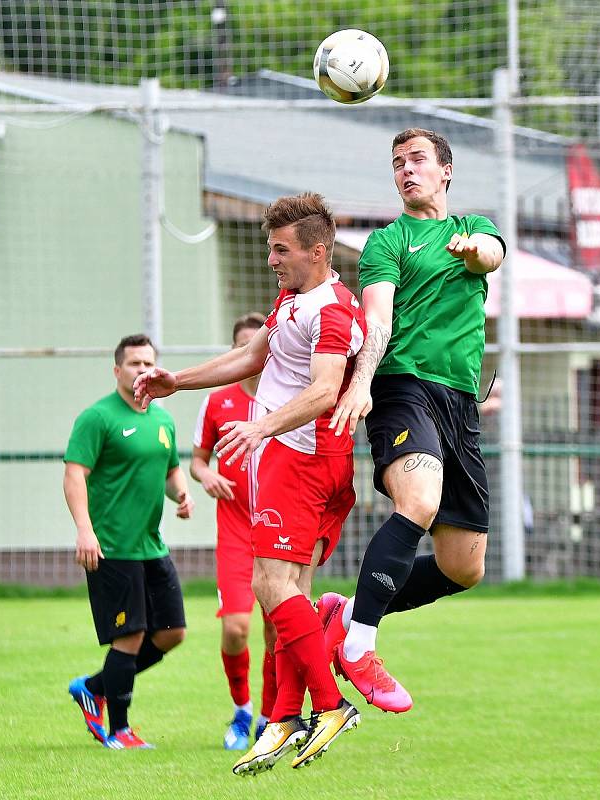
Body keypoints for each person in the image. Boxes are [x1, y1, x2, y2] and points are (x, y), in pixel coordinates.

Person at [134, 193, 367, 775]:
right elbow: (252, 356)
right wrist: (177, 381)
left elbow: (322, 392)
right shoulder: (294, 297)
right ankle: (285, 714)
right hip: (302, 460)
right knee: (289, 588)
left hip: (303, 460)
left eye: (281, 249)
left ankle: (331, 705)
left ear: (318, 251)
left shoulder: (332, 309)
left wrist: (260, 427)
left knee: (270, 587)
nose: (271, 258)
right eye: (269, 247)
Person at [318, 128, 505, 714]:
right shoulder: (387, 241)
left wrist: (475, 253)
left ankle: (347, 614)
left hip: (460, 404)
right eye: (397, 163)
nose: (406, 170)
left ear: (446, 171)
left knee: (462, 566)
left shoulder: (472, 229)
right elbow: (376, 319)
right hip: (402, 388)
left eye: (417, 160)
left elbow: (493, 254)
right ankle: (359, 646)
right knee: (417, 501)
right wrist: (365, 381)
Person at [63, 333, 194, 749]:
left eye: (148, 363)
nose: (142, 370)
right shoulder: (97, 418)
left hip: (151, 546)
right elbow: (74, 474)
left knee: (172, 632)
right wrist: (85, 529)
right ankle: (119, 730)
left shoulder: (163, 420)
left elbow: (170, 469)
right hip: (112, 548)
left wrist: (183, 492)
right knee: (131, 636)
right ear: (117, 370)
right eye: (134, 363)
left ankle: (95, 686)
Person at [191, 312, 278, 750]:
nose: (253, 354)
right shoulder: (218, 401)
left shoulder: (288, 398)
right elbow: (197, 459)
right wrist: (204, 476)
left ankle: (268, 719)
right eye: (244, 347)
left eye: (258, 346)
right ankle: (242, 711)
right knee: (236, 629)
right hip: (235, 533)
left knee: (275, 631)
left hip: (279, 531)